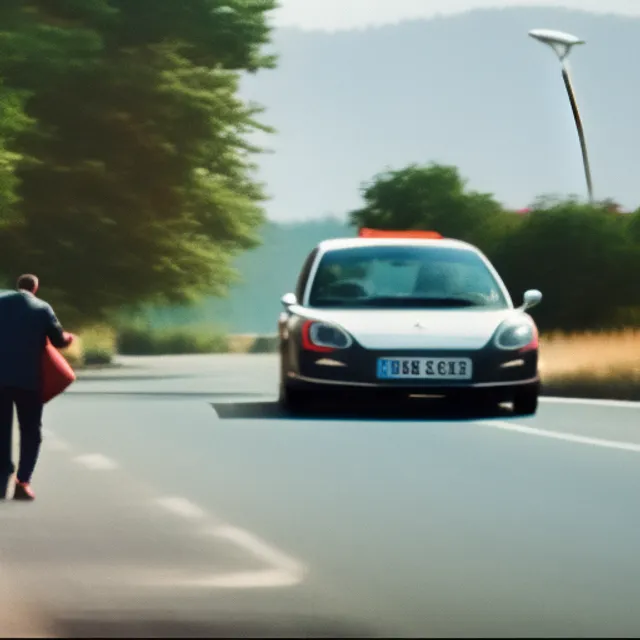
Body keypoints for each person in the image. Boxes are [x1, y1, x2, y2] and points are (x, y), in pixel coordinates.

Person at [0, 274, 73, 501]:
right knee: (30, 431)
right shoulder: (42, 308)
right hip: (28, 381)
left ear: (17, 286)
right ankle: (23, 482)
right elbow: (59, 340)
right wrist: (68, 338)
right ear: (35, 288)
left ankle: (1, 479)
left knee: (1, 431)